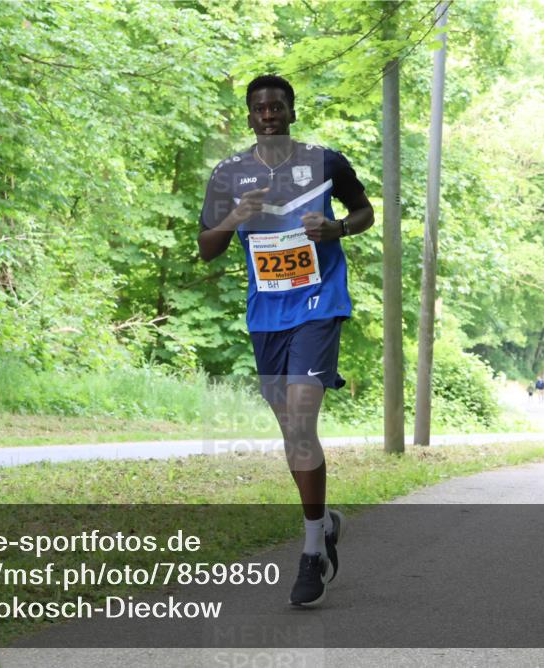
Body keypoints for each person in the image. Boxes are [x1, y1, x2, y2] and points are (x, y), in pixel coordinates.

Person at [198, 74, 374, 606]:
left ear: (292, 112)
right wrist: (233, 217)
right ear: (249, 117)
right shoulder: (228, 174)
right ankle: (325, 523)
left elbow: (366, 212)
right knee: (292, 431)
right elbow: (207, 249)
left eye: (277, 105)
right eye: (259, 108)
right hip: (266, 312)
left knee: (302, 413)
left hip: (320, 301)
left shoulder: (326, 162)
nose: (269, 113)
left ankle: (310, 551)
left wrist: (339, 229)